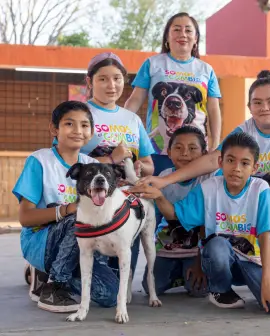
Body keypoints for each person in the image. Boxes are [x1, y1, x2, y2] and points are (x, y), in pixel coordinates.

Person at [140, 70, 270, 309]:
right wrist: (165, 181)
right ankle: (263, 272)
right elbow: (211, 159)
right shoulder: (243, 133)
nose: (264, 107)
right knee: (252, 257)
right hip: (248, 207)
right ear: (250, 107)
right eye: (257, 102)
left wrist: (263, 206)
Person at [137, 133, 270, 314]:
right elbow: (177, 216)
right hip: (220, 259)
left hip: (251, 260)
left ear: (255, 167)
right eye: (230, 160)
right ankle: (221, 290)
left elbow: (265, 236)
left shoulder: (260, 189)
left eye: (244, 163)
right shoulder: (209, 188)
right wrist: (159, 196)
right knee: (217, 244)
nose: (236, 168)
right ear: (220, 162)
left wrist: (267, 281)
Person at [13, 101, 119, 313]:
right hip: (42, 241)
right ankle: (54, 286)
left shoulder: (92, 165)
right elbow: (25, 218)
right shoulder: (40, 161)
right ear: (54, 129)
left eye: (84, 125)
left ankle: (44, 273)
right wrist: (65, 210)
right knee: (79, 217)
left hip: (83, 245)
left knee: (110, 294)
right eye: (69, 124)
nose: (78, 131)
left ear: (91, 131)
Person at [82, 52, 156, 278]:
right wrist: (111, 159)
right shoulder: (80, 113)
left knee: (117, 283)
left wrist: (139, 167)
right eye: (103, 78)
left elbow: (149, 164)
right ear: (89, 82)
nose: (111, 85)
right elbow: (65, 160)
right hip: (91, 201)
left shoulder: (132, 119)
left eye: (117, 78)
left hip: (124, 202)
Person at [124, 12, 222, 176]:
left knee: (195, 198)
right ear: (167, 37)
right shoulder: (152, 64)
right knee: (157, 195)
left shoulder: (206, 70)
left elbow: (213, 110)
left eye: (188, 30)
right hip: (158, 150)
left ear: (196, 38)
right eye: (176, 29)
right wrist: (121, 131)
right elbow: (134, 100)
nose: (182, 34)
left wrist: (215, 144)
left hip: (197, 151)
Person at [138, 126, 215, 297]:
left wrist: (200, 261)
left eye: (193, 148)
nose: (185, 153)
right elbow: (164, 217)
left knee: (199, 290)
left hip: (197, 248)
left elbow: (206, 223)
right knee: (151, 287)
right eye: (178, 148)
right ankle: (178, 274)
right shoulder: (164, 176)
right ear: (169, 153)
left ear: (204, 153)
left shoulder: (209, 179)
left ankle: (187, 270)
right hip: (169, 245)